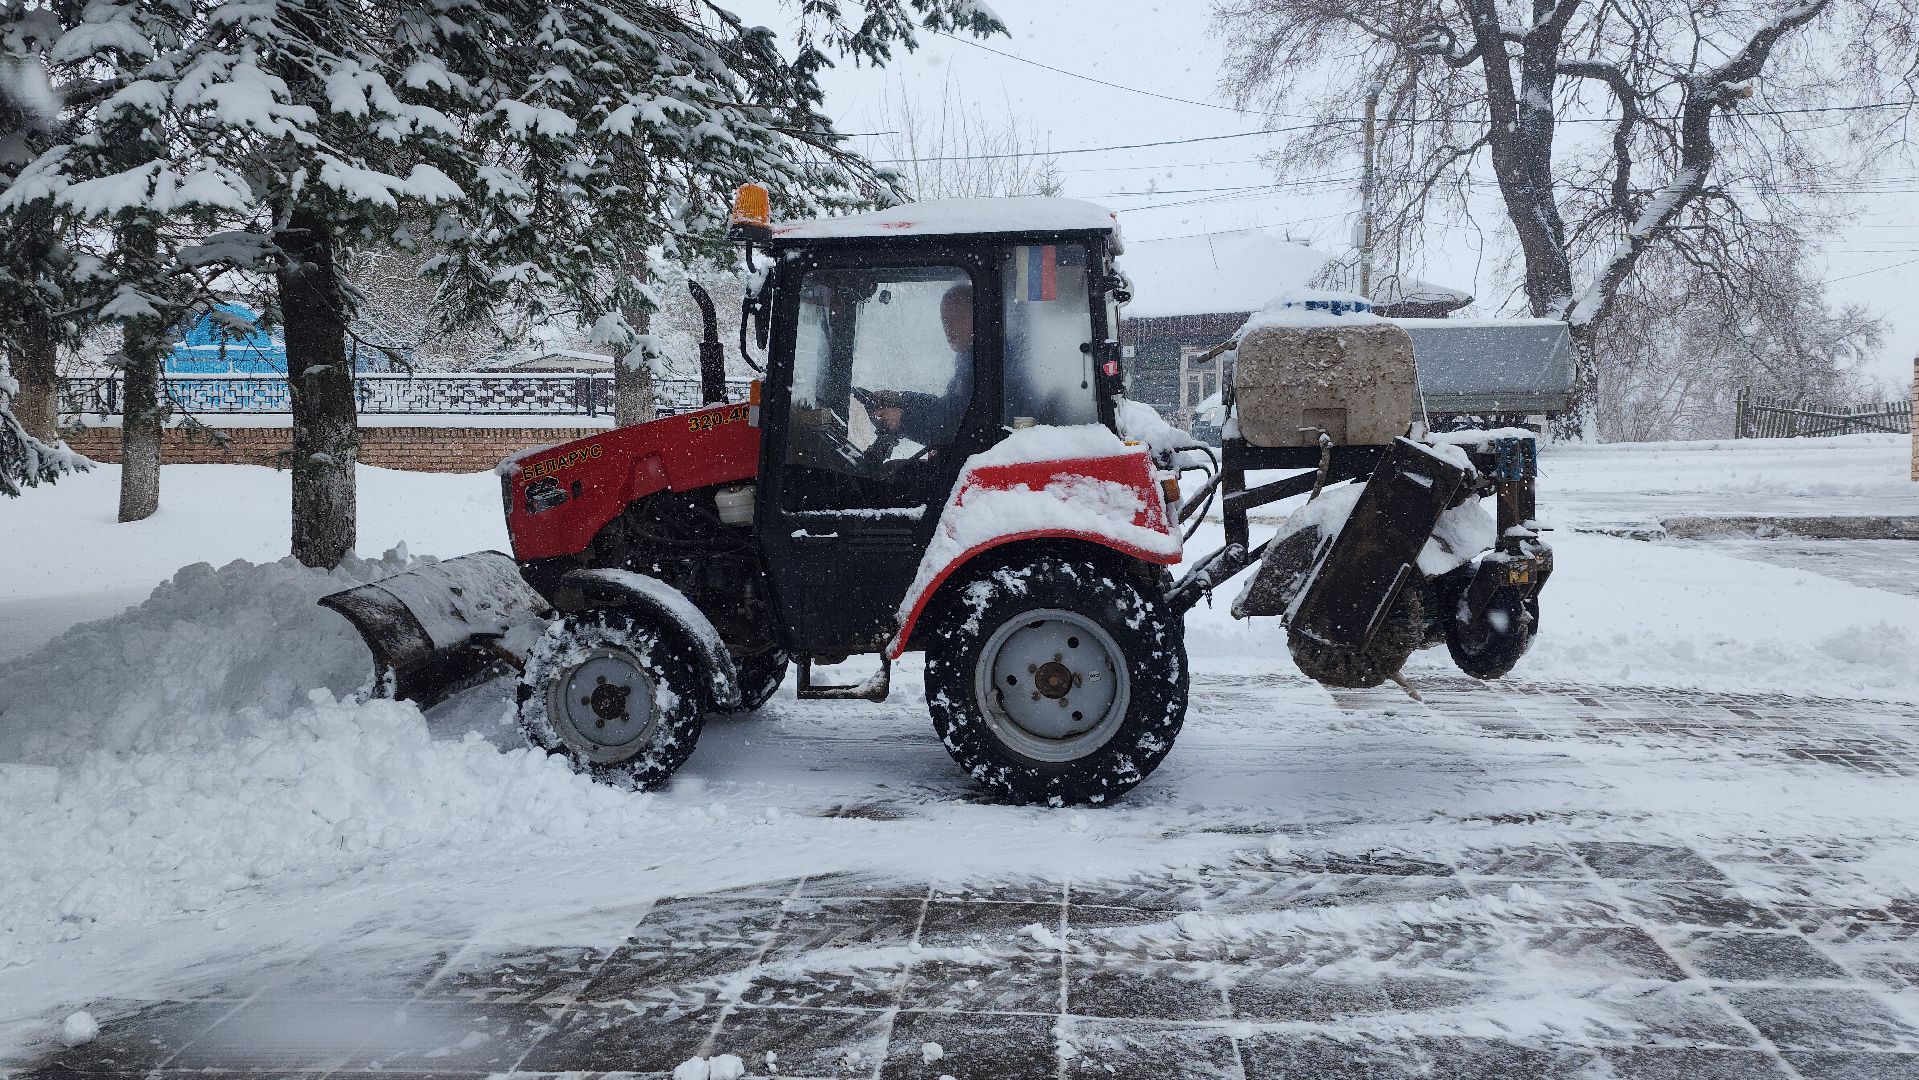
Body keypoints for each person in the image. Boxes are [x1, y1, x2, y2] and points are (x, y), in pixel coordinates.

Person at [864, 282, 974, 452]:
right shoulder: (969, 358)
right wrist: (902, 399)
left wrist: (903, 419)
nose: (949, 328)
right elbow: (948, 408)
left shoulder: (987, 365)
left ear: (978, 316)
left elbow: (959, 427)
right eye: (945, 320)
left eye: (957, 319)